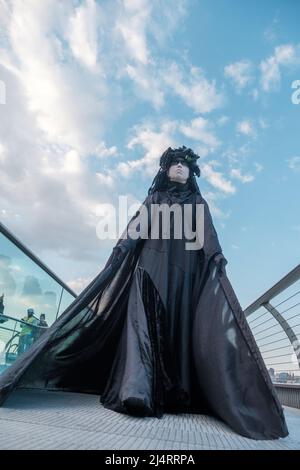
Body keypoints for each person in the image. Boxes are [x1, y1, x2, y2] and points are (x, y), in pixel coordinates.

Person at [0, 146, 288, 440]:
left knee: (177, 325)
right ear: (165, 170)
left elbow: (208, 237)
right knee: (141, 324)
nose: (178, 167)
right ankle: (135, 390)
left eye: (183, 165)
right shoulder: (155, 198)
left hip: (183, 274)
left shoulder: (198, 204)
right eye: (173, 164)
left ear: (191, 172)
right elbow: (137, 227)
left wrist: (216, 257)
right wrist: (122, 246)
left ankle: (175, 391)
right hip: (149, 266)